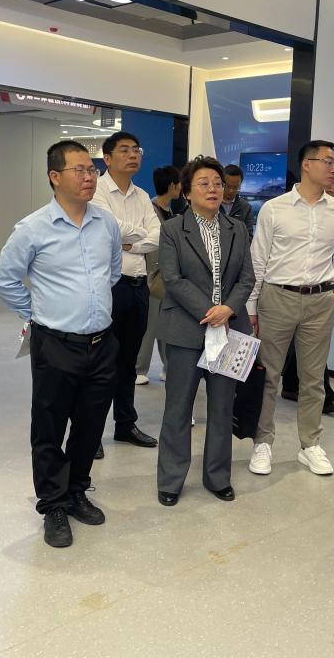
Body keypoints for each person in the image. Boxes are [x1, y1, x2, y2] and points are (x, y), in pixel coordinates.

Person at [0, 140, 123, 549]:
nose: (89, 177)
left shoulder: (106, 224)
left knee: (90, 424)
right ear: (54, 176)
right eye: (79, 170)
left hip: (102, 342)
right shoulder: (33, 228)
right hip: (55, 343)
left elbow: (113, 272)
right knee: (49, 426)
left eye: (92, 170)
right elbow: (3, 277)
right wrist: (36, 312)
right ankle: (53, 505)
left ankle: (77, 489)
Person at [247, 140, 334, 476]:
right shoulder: (274, 208)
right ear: (307, 164)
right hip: (277, 297)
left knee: (313, 379)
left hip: (320, 301)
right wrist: (251, 307)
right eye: (328, 161)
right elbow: (258, 260)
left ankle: (310, 445)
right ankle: (263, 442)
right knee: (268, 375)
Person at [155, 157, 255, 506]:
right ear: (186, 192)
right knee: (178, 407)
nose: (213, 189)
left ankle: (217, 477)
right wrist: (210, 312)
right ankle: (171, 480)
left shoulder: (237, 228)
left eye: (217, 183)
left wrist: (229, 309)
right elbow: (172, 279)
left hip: (230, 329)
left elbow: (247, 278)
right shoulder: (172, 229)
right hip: (185, 329)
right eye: (204, 183)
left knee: (223, 407)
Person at [90, 131, 161, 455]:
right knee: (101, 362)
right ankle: (91, 432)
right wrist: (136, 236)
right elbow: (110, 229)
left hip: (138, 285)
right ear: (107, 158)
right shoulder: (97, 191)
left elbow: (157, 236)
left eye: (136, 149)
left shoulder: (142, 195)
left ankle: (125, 424)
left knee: (129, 361)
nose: (133, 155)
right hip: (110, 286)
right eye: (124, 150)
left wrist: (130, 242)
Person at [280, 175, 334, 415]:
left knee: (309, 345)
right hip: (286, 291)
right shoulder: (283, 210)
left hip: (322, 290)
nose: (330, 188)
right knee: (302, 346)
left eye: (333, 185)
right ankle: (315, 394)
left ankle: (298, 388)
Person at [135, 165, 182, 385]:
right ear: (172, 186)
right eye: (179, 183)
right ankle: (139, 369)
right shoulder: (151, 209)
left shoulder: (170, 210)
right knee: (150, 325)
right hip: (152, 276)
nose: (181, 187)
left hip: (168, 276)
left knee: (167, 325)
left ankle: (168, 366)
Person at [220, 164, 255, 237]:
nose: (231, 191)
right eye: (228, 186)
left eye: (236, 187)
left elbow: (248, 236)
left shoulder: (246, 207)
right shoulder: (212, 204)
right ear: (222, 183)